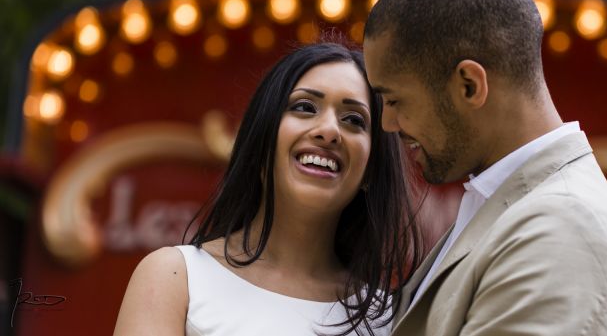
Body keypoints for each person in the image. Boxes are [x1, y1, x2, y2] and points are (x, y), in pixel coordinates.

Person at [363, 0, 607, 335]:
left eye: (394, 101)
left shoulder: (564, 228)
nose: (388, 123)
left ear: (469, 84)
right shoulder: (510, 201)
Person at [114, 42, 418, 336]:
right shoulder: (175, 277)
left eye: (353, 120)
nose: (328, 131)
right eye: (304, 107)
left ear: (371, 169)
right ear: (262, 139)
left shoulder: (391, 319)